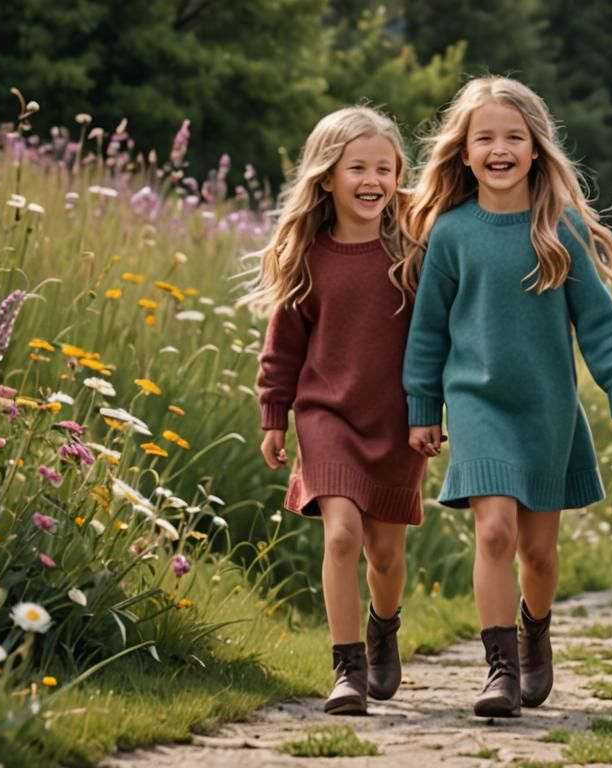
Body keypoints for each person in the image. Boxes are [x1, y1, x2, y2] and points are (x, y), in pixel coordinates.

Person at [401, 76, 612, 718]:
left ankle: (533, 633)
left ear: (536, 150)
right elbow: (428, 329)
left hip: (548, 412)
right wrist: (422, 408)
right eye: (484, 137)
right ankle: (499, 671)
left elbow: (598, 323)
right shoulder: (452, 233)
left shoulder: (558, 229)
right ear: (464, 153)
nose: (499, 149)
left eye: (514, 137)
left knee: (539, 552)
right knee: (494, 535)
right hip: (478, 405)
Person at [247, 106, 426, 715]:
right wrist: (274, 412)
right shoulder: (309, 258)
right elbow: (283, 346)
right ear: (328, 178)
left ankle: (384, 623)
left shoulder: (414, 254)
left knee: (386, 555)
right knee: (343, 534)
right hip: (325, 415)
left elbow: (438, 337)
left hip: (396, 422)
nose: (373, 179)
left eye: (385, 167)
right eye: (358, 168)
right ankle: (347, 668)